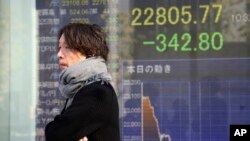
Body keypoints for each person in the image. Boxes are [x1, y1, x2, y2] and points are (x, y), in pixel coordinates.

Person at [45, 23, 120, 141]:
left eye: (68, 47)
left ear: (92, 52)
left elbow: (55, 133)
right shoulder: (80, 89)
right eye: (60, 47)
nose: (59, 54)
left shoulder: (97, 93)